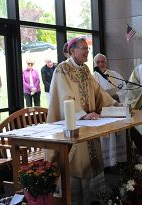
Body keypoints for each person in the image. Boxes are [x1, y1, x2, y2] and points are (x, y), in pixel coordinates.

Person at [46, 37, 117, 205]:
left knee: (90, 161)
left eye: (87, 48)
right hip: (71, 126)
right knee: (76, 163)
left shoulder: (85, 69)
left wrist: (114, 104)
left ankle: (92, 199)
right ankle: (74, 200)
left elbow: (98, 91)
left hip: (89, 124)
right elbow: (65, 95)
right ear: (72, 51)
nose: (87, 52)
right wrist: (81, 114)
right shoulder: (62, 69)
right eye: (83, 48)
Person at [93, 53, 127, 168]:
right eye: (98, 62)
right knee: (107, 138)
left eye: (103, 62)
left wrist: (117, 96)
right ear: (95, 64)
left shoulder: (115, 75)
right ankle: (107, 163)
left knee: (118, 136)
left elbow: (125, 89)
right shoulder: (92, 78)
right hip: (103, 113)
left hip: (116, 110)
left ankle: (120, 160)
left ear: (106, 63)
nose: (101, 64)